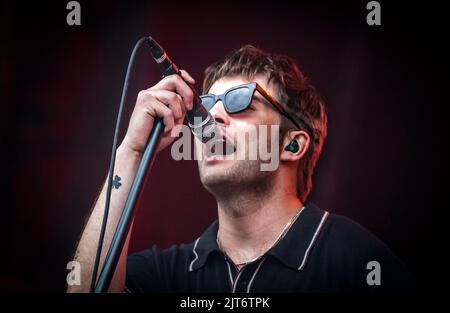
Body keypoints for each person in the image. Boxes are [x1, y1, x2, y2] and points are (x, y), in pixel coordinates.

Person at [68, 45, 414, 293]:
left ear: (292, 144)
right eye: (206, 105)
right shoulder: (170, 273)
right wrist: (132, 152)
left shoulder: (354, 260)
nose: (213, 116)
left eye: (240, 101)